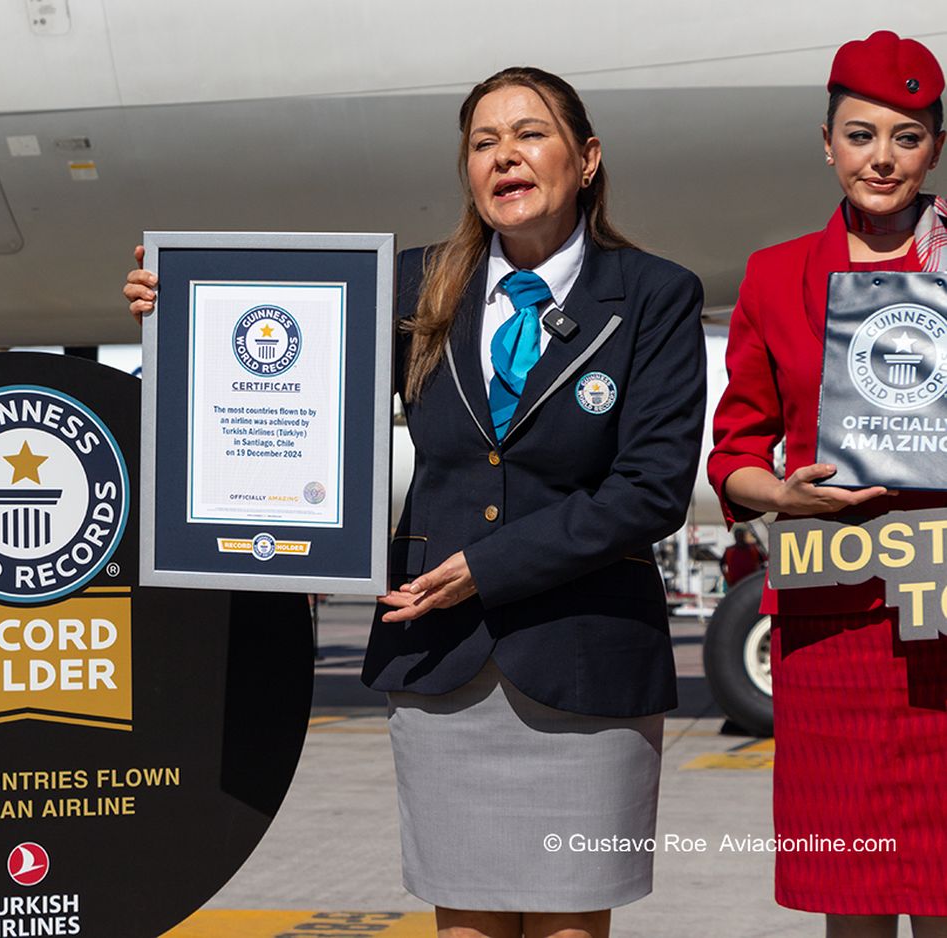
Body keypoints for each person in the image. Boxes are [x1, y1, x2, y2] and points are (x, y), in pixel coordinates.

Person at [127, 67, 705, 938]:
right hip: (444, 666)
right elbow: (289, 383)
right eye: (483, 143)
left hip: (582, 667)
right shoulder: (413, 287)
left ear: (586, 159)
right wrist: (184, 314)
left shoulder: (654, 295)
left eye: (530, 134)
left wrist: (486, 568)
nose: (506, 156)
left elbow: (651, 490)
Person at [708, 30, 947, 938]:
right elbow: (734, 449)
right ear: (826, 141)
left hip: (944, 608)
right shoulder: (775, 279)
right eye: (860, 135)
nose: (881, 159)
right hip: (833, 614)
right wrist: (785, 495)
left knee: (943, 889)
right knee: (848, 896)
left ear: (936, 147)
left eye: (906, 135)